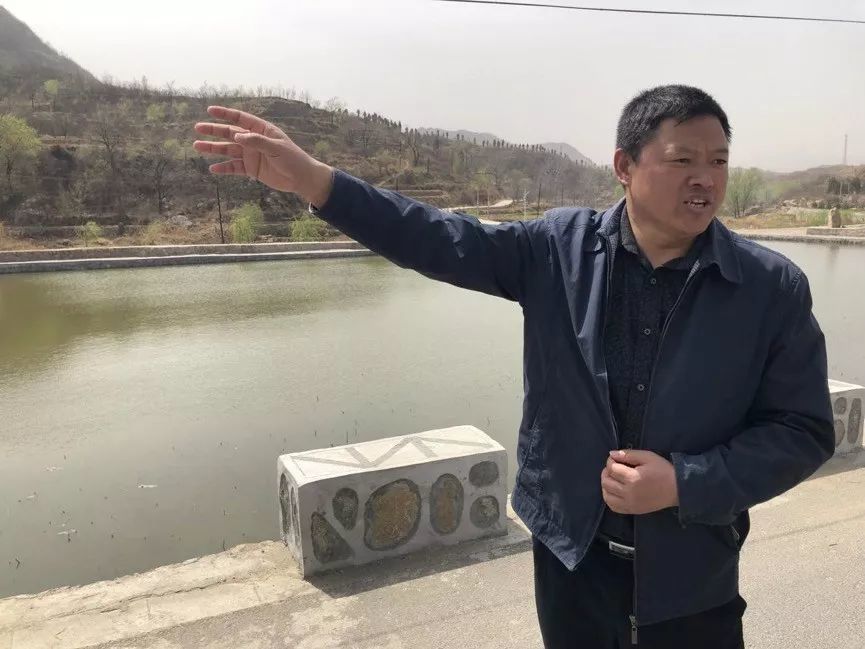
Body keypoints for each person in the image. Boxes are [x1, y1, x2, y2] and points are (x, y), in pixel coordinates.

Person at [193, 84, 834, 648]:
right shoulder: (557, 249)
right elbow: (437, 237)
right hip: (571, 564)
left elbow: (801, 431)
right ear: (624, 166)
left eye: (719, 161)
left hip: (693, 578)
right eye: (683, 159)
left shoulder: (768, 288)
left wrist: (684, 484)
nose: (706, 179)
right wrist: (317, 182)